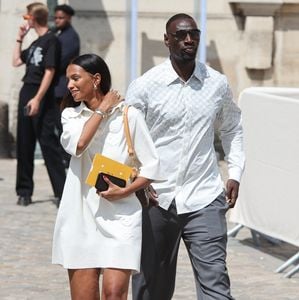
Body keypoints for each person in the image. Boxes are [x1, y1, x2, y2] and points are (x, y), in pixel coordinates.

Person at [126, 13, 245, 300]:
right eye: (180, 35)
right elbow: (125, 138)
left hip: (204, 196)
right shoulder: (145, 86)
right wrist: (135, 177)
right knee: (150, 286)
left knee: (215, 283)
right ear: (167, 40)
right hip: (156, 199)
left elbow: (233, 128)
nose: (188, 39)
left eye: (193, 33)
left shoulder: (215, 84)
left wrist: (235, 172)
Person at [52, 54, 161, 300]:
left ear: (96, 79)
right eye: (68, 79)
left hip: (121, 216)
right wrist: (102, 109)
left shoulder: (129, 115)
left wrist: (125, 191)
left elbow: (152, 166)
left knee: (114, 294)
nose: (69, 85)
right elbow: (79, 145)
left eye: (75, 78)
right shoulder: (70, 116)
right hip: (81, 215)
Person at [12, 2, 66, 206]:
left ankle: (61, 192)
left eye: (27, 18)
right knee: (24, 144)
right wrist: (20, 37)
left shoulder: (52, 40)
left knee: (47, 143)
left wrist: (37, 98)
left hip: (40, 94)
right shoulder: (35, 42)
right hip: (27, 90)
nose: (25, 21)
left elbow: (50, 71)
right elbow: (16, 61)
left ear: (34, 18)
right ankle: (24, 191)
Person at [53, 4, 80, 168]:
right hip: (56, 88)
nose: (57, 20)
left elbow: (61, 61)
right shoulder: (60, 34)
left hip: (62, 89)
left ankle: (67, 158)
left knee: (63, 125)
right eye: (56, 17)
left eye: (61, 17)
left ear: (69, 18)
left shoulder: (70, 37)